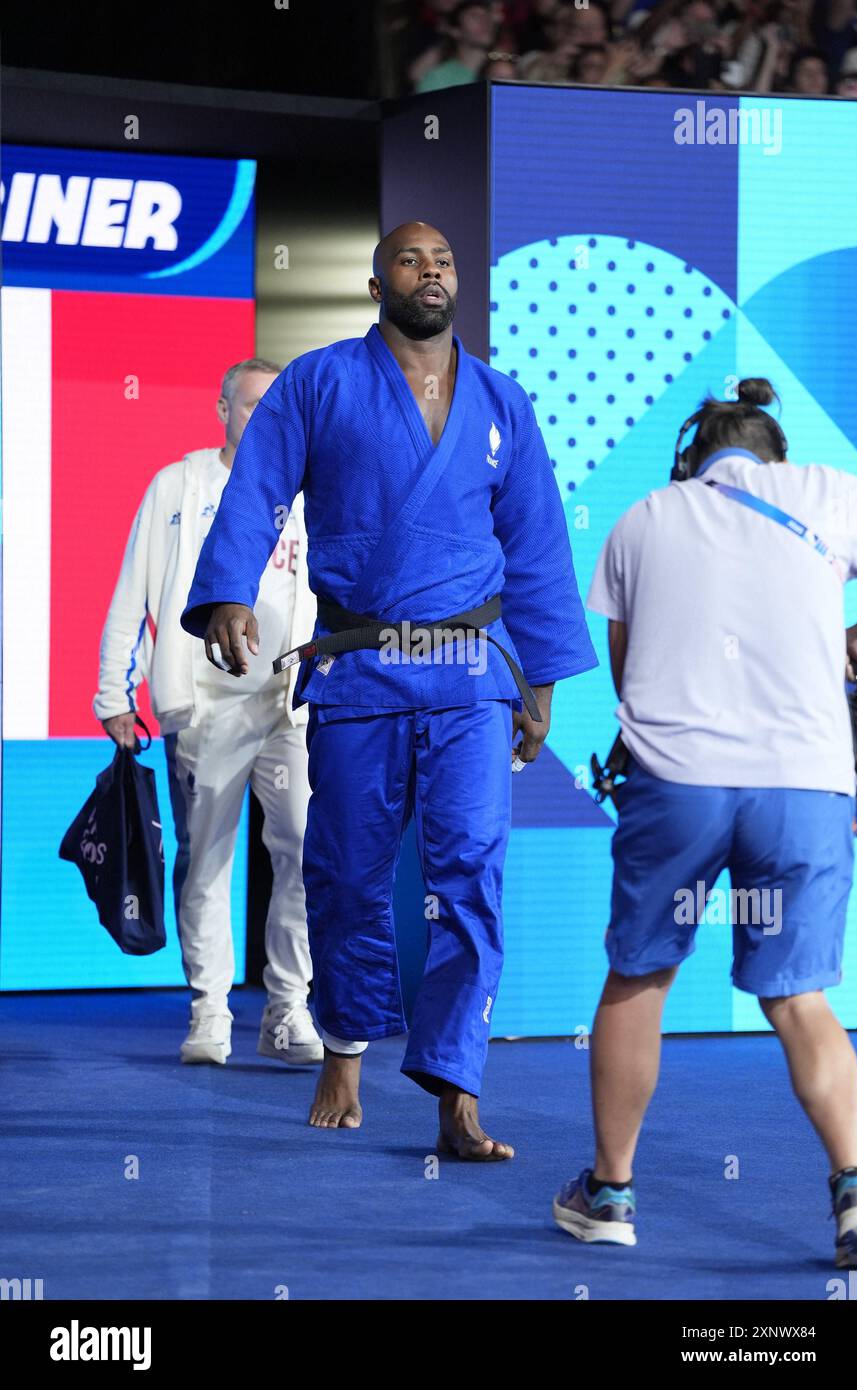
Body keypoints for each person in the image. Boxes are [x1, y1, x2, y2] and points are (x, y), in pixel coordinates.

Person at [181, 222, 598, 1159]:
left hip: (469, 675)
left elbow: (535, 547)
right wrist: (228, 597)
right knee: (344, 871)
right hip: (361, 668)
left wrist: (541, 686)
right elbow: (255, 491)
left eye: (444, 261)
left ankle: (456, 1088)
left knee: (472, 874)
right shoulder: (321, 383)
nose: (433, 272)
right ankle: (346, 1044)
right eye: (412, 260)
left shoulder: (501, 399)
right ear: (377, 284)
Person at [554, 379, 857, 1269]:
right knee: (800, 998)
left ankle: (610, 1195)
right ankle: (856, 1201)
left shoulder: (643, 517)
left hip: (678, 784)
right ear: (774, 453)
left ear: (689, 459)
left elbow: (627, 677)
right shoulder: (826, 492)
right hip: (804, 787)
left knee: (639, 980)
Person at [94, 360, 322, 1070]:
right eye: (250, 405)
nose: (262, 417)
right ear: (222, 407)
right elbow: (133, 590)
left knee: (306, 856)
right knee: (208, 864)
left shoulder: (309, 493)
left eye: (273, 406)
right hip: (206, 708)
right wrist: (113, 692)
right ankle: (210, 1012)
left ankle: (287, 1008)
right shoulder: (179, 485)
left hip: (289, 703)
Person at [413, 1, 501, 91]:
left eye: (487, 16)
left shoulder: (504, 69)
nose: (485, 22)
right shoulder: (438, 80)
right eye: (475, 17)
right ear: (455, 31)